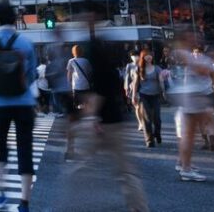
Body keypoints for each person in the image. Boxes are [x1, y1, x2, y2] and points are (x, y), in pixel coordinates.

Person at [79, 20, 149, 212]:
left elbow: (99, 94)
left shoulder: (99, 70)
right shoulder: (113, 70)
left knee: (80, 166)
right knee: (125, 170)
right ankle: (139, 207)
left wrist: (91, 117)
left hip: (102, 122)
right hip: (115, 120)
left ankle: (71, 203)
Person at [0, 0, 37, 212]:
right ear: (14, 18)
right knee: (25, 148)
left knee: (1, 145)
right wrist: (21, 86)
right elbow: (32, 74)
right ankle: (24, 202)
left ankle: (1, 190)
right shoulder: (26, 43)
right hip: (24, 102)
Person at [171, 34, 214, 181]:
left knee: (189, 134)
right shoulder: (184, 54)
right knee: (189, 135)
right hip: (191, 98)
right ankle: (186, 168)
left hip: (192, 97)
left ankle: (183, 163)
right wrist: (206, 65)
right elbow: (203, 71)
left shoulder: (186, 55)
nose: (195, 40)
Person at [132, 47, 164, 147]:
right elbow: (135, 83)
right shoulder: (139, 69)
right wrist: (133, 95)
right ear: (143, 57)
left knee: (157, 118)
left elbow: (161, 81)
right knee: (147, 119)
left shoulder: (157, 68)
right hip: (143, 95)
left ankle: (157, 133)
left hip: (155, 95)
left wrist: (163, 92)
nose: (148, 57)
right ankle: (149, 140)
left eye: (150, 55)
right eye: (146, 55)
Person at [64, 44, 92, 160]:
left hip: (76, 86)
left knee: (75, 106)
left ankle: (78, 120)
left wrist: (68, 85)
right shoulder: (86, 61)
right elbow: (90, 72)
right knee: (86, 104)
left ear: (73, 52)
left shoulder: (71, 61)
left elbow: (69, 75)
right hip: (86, 85)